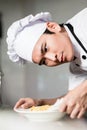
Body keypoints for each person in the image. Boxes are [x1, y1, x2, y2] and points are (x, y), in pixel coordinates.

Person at [6, 8, 87, 119]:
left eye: (45, 48)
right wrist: (39, 102)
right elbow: (70, 97)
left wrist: (84, 90)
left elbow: (80, 92)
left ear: (53, 27)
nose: (52, 58)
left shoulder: (84, 21)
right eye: (44, 61)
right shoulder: (76, 66)